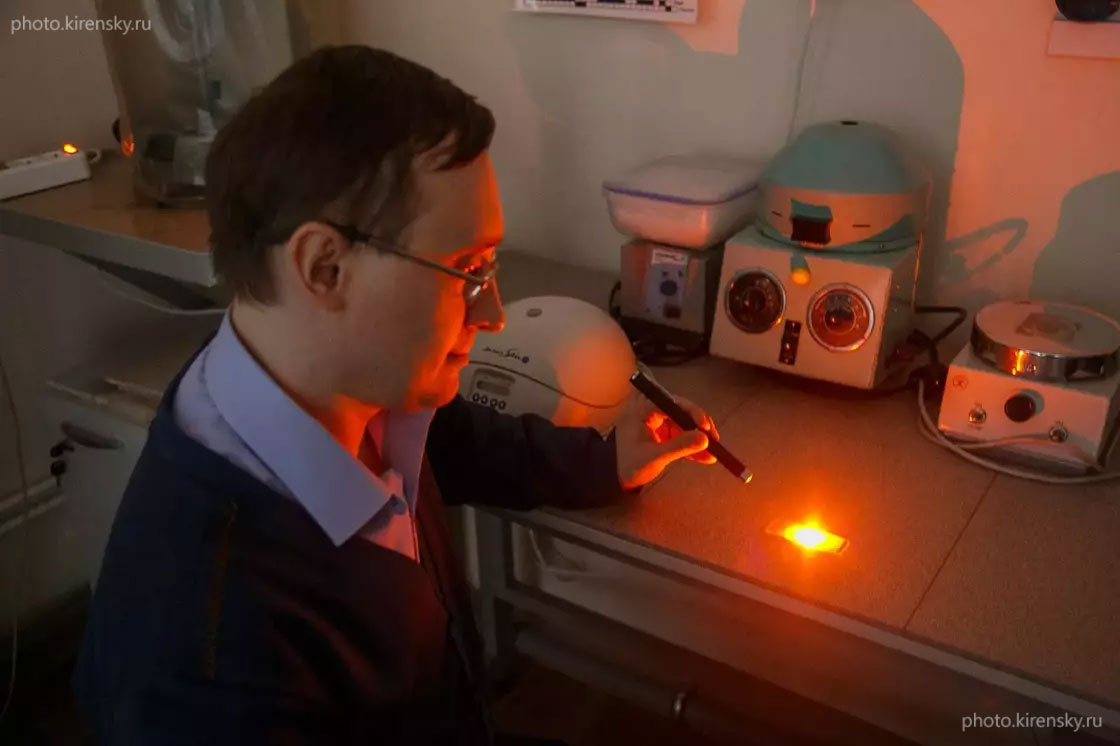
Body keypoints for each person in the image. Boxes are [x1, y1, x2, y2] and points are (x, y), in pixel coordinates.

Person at [73, 45, 717, 745]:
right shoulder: (208, 670)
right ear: (324, 267)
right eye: (467, 269)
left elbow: (452, 442)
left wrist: (602, 459)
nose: (493, 312)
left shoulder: (321, 380)